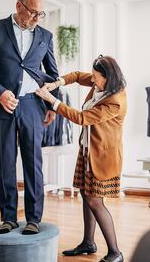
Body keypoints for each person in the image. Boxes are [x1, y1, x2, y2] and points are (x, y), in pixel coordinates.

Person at [0, 0, 59, 235]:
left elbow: (53, 74)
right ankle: (8, 218)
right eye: (32, 12)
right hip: (2, 106)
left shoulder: (45, 36)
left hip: (32, 105)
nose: (36, 18)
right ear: (19, 6)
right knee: (6, 163)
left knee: (33, 163)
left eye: (40, 14)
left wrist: (53, 104)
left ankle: (33, 219)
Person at [36, 55, 127, 262]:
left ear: (108, 77)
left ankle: (115, 252)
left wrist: (52, 100)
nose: (92, 81)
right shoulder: (101, 83)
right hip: (88, 149)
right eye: (93, 77)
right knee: (86, 195)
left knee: (95, 201)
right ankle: (88, 243)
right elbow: (77, 76)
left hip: (103, 156)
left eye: (96, 78)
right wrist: (57, 83)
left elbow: (83, 118)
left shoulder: (115, 101)